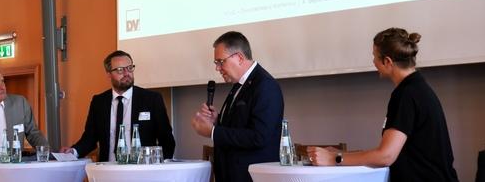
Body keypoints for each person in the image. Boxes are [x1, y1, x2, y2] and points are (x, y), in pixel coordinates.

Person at [308, 27, 458, 181]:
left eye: (375, 56)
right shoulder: (417, 88)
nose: (373, 61)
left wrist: (334, 159)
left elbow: (385, 156)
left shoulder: (406, 94)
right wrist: (341, 154)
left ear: (387, 61)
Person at [192, 31, 284, 182]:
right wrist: (218, 120)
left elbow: (259, 136)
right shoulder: (238, 85)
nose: (217, 68)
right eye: (216, 63)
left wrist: (213, 131)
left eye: (221, 62)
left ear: (240, 58)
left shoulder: (265, 85)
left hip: (250, 176)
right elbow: (240, 124)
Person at [60, 50, 175, 161]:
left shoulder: (151, 99)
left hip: (142, 170)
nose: (127, 73)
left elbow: (167, 140)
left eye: (130, 68)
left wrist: (158, 167)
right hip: (108, 170)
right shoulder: (99, 102)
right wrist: (73, 151)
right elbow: (89, 138)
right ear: (109, 74)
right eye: (120, 70)